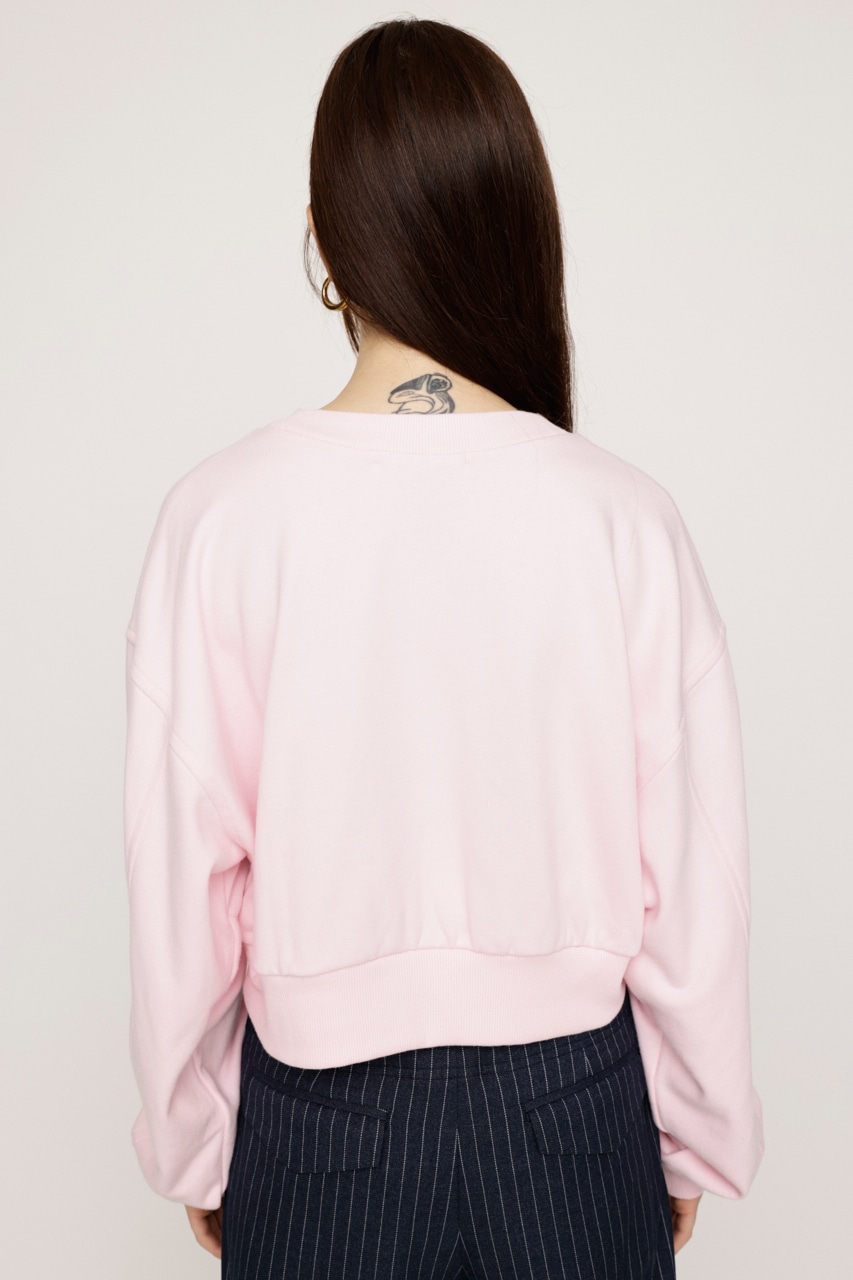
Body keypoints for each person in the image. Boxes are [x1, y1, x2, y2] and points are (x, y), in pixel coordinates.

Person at [123, 17, 764, 1277]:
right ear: (513, 222)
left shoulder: (220, 517)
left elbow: (179, 879)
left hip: (319, 1130)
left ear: (325, 239)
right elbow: (693, 877)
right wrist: (690, 1134)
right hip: (576, 1119)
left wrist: (196, 1142)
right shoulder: (622, 514)